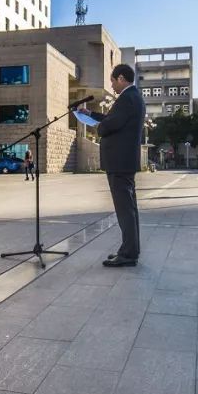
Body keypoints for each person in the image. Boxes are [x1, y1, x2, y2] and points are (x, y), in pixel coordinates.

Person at [78, 64, 144, 267]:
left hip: (119, 162)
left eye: (113, 81)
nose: (112, 85)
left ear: (121, 78)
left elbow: (110, 125)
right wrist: (91, 114)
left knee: (125, 210)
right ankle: (129, 250)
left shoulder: (127, 98)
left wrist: (99, 127)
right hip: (124, 162)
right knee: (129, 209)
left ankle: (128, 254)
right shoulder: (133, 97)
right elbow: (112, 119)